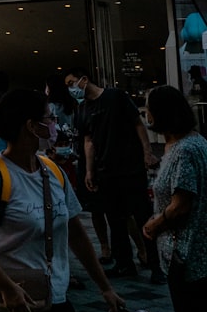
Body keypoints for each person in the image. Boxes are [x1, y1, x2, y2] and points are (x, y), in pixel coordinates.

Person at [0, 89, 124, 312]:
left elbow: (76, 233)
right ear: (32, 127)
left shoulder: (53, 171)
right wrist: (7, 287)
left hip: (54, 298)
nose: (55, 125)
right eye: (50, 119)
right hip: (7, 304)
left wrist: (105, 287)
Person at [65, 67, 165, 284]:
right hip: (105, 172)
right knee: (116, 220)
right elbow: (88, 141)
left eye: (72, 82)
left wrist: (147, 152)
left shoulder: (115, 96)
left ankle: (156, 266)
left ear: (84, 79)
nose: (71, 88)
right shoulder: (83, 110)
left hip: (130, 167)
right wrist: (89, 171)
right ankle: (124, 264)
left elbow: (137, 124)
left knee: (142, 217)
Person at [142, 85, 207, 312]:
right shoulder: (197, 142)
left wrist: (154, 225)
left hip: (188, 256)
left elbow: (181, 205)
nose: (146, 115)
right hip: (197, 254)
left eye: (148, 109)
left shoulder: (183, 151)